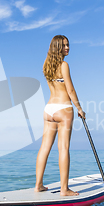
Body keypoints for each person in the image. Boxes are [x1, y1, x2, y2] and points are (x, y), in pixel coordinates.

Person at [35, 35, 86, 196]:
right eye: (64, 46)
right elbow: (70, 90)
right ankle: (64, 189)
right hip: (63, 108)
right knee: (63, 148)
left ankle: (38, 185)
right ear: (57, 47)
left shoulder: (46, 65)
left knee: (44, 148)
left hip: (49, 109)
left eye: (68, 45)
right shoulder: (64, 65)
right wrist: (79, 108)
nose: (67, 48)